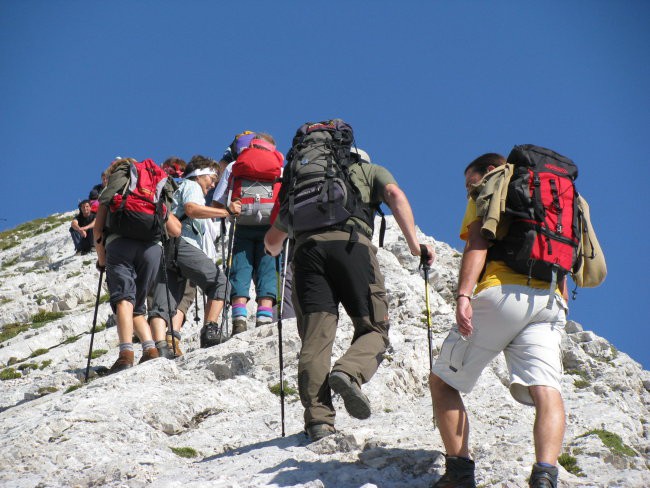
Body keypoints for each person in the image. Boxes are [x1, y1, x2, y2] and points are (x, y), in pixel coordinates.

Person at [265, 133, 434, 442]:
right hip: (352, 249)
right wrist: (414, 246)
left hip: (306, 258)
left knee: (315, 340)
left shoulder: (300, 183)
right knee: (374, 328)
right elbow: (395, 194)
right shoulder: (370, 171)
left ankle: (319, 421)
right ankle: (349, 371)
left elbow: (272, 244)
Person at [428, 153, 568, 488]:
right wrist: (560, 299)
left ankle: (459, 473)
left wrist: (463, 295)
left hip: (502, 293)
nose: (467, 191)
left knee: (443, 382)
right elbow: (569, 254)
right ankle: (545, 475)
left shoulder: (493, 185)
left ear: (489, 170)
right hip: (551, 301)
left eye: (468, 182)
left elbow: (478, 240)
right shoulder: (557, 196)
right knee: (548, 391)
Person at [94, 158, 181, 373]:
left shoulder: (115, 191)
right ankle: (150, 350)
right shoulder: (151, 191)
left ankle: (125, 355)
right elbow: (175, 230)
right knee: (137, 304)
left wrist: (102, 260)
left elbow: (97, 230)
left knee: (124, 300)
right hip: (152, 249)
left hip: (120, 244)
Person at [147, 155, 241, 351]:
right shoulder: (192, 186)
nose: (213, 184)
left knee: (166, 300)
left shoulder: (178, 189)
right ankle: (210, 331)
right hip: (184, 245)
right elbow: (191, 209)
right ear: (199, 175)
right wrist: (226, 212)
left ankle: (159, 347)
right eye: (212, 178)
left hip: (167, 248)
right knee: (220, 283)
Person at [212, 133, 283, 334]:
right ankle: (264, 317)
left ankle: (239, 320)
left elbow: (217, 202)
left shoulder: (235, 166)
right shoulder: (280, 168)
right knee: (268, 270)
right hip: (270, 227)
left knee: (240, 270)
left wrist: (230, 210)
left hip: (242, 224)